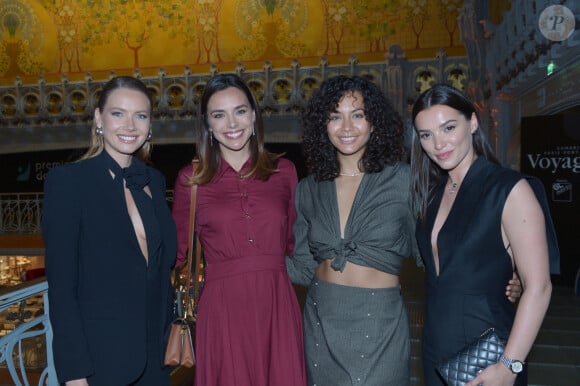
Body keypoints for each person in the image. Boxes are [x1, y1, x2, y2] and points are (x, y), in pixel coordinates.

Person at [410, 83, 559, 386]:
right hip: (436, 352)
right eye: (426, 135)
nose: (438, 143)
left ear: (473, 122)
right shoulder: (434, 194)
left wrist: (509, 365)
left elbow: (539, 287)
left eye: (448, 127)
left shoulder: (509, 189)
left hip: (489, 358)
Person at [171, 73, 306, 386]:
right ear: (208, 124)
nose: (232, 123)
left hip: (278, 305)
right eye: (219, 115)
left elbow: (295, 244)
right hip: (223, 310)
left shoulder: (284, 172)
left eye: (240, 111)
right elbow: (175, 252)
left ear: (254, 115)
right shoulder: (189, 180)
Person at [286, 75, 421, 385]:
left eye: (357, 114)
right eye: (335, 116)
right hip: (321, 321)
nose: (346, 127)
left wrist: (504, 274)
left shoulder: (404, 180)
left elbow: (435, 250)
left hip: (381, 323)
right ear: (323, 125)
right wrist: (245, 259)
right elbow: (305, 266)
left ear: (374, 123)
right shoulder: (308, 189)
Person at [42, 76, 176, 386]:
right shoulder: (69, 182)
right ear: (99, 119)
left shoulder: (152, 181)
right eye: (118, 113)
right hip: (100, 363)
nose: (130, 125)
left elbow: (158, 268)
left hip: (154, 359)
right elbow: (62, 288)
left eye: (140, 115)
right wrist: (75, 372)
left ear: (150, 124)